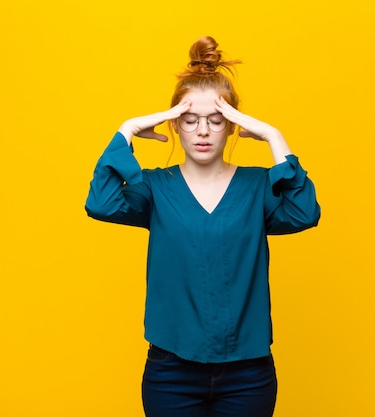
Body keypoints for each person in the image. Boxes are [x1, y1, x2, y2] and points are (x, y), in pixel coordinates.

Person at [85, 36, 320, 417]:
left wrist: (274, 138)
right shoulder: (155, 188)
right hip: (170, 372)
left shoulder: (258, 186)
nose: (203, 132)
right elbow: (101, 203)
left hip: (248, 374)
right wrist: (127, 130)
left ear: (232, 126)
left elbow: (304, 213)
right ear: (175, 125)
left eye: (216, 120)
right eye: (190, 120)